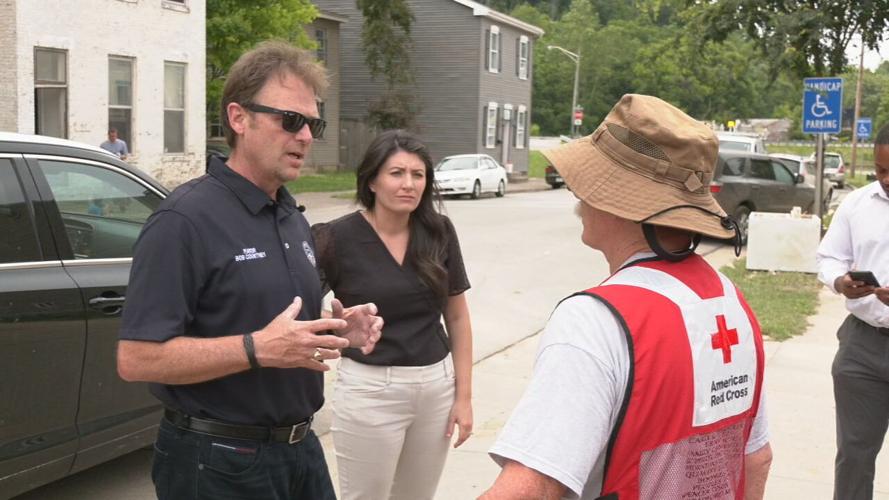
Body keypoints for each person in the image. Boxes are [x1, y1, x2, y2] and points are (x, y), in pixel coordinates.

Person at [116, 41, 383, 500]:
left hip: (300, 449)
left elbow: (276, 328)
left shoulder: (291, 216)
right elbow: (136, 359)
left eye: (312, 124)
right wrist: (255, 348)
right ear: (239, 118)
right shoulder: (184, 220)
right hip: (217, 459)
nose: (305, 136)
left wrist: (337, 330)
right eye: (290, 120)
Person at [481, 94, 772, 499]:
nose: (579, 197)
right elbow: (756, 458)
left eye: (591, 183)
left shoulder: (595, 321)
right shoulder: (731, 302)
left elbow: (534, 487)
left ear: (620, 200)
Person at [312, 129, 474, 500]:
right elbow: (305, 310)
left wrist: (463, 397)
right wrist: (335, 323)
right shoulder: (334, 238)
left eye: (418, 175)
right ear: (372, 180)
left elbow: (459, 317)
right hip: (370, 391)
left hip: (436, 386)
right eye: (396, 173)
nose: (409, 184)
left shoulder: (439, 232)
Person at [816, 123, 889, 500]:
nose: (886, 179)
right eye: (880, 170)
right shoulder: (857, 204)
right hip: (863, 348)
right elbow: (829, 257)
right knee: (855, 456)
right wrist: (840, 282)